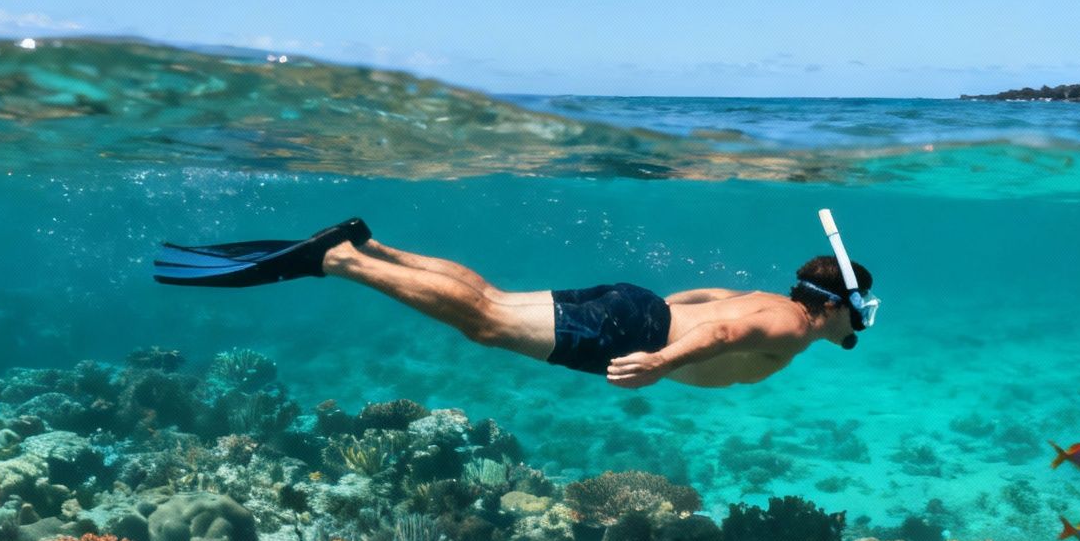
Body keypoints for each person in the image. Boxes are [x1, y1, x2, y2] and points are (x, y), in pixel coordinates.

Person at [152, 215, 877, 389]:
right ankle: (340, 260)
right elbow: (719, 328)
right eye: (863, 309)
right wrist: (658, 360)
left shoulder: (772, 300)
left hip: (635, 304)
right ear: (837, 303)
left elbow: (702, 298)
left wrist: (656, 320)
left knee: (491, 300)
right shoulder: (788, 322)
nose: (864, 322)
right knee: (488, 324)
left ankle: (374, 248)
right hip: (638, 330)